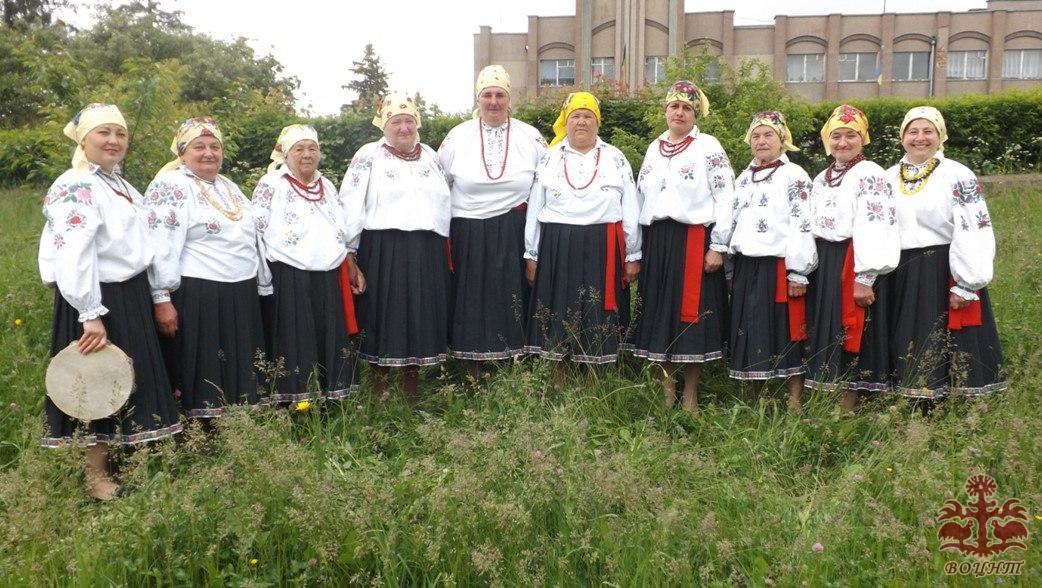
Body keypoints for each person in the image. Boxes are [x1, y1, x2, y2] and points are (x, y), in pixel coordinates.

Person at [39, 103, 181, 500]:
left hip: (128, 292)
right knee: (95, 380)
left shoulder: (120, 186)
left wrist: (154, 293)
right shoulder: (75, 185)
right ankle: (94, 476)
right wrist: (89, 312)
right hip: (96, 295)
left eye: (120, 134)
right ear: (83, 141)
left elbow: (143, 245)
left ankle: (123, 460)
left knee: (124, 381)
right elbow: (73, 251)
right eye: (104, 133)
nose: (114, 141)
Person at [144, 117, 265, 422]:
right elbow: (161, 243)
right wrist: (161, 297)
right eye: (199, 147)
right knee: (203, 363)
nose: (209, 153)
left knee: (233, 362)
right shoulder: (171, 186)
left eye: (215, 146)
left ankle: (234, 426)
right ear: (182, 153)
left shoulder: (228, 187)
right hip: (199, 292)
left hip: (239, 290)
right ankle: (199, 433)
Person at [885, 106, 1005, 398]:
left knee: (947, 334)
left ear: (940, 136)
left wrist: (966, 282)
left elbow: (975, 227)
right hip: (900, 268)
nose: (920, 138)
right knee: (908, 334)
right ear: (903, 137)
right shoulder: (888, 177)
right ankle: (910, 394)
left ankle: (959, 398)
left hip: (943, 266)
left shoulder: (957, 174)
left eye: (928, 131)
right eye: (913, 131)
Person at [340, 93, 452, 399]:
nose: (403, 127)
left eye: (409, 121)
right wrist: (349, 253)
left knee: (419, 313)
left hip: (426, 247)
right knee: (383, 314)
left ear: (417, 124)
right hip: (383, 247)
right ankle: (380, 389)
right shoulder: (368, 155)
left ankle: (411, 389)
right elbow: (350, 202)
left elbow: (445, 199)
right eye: (396, 121)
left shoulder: (429, 154)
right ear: (384, 125)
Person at [630, 80, 733, 413]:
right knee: (661, 315)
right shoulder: (654, 147)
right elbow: (641, 197)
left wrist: (717, 245)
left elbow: (726, 196)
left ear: (695, 113)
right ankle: (667, 390)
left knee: (691, 319)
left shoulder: (709, 147)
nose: (679, 112)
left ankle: (690, 395)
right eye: (674, 106)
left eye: (687, 107)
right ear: (665, 111)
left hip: (693, 241)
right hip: (657, 242)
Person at [438, 65, 547, 376]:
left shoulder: (531, 136)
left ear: (509, 99)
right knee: (471, 295)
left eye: (500, 95)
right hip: (468, 229)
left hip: (514, 227)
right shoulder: (457, 136)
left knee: (511, 295)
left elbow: (547, 182)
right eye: (487, 95)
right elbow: (438, 183)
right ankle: (470, 366)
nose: (494, 101)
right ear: (478, 98)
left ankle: (511, 363)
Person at [523, 92, 641, 376]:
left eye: (588, 116)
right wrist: (532, 252)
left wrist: (633, 253)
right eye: (576, 116)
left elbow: (631, 207)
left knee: (596, 310)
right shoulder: (549, 158)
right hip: (557, 244)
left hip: (602, 245)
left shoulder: (615, 157)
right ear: (567, 121)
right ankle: (558, 380)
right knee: (557, 311)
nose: (582, 122)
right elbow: (535, 207)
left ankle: (594, 381)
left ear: (597, 122)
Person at [715, 110, 816, 410]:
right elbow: (731, 221)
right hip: (747, 266)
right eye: (756, 135)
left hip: (780, 267)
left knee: (786, 331)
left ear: (782, 139)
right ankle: (755, 402)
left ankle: (794, 403)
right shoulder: (743, 178)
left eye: (768, 134)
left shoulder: (794, 175)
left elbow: (803, 222)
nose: (761, 141)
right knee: (749, 330)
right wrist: (730, 267)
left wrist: (798, 271)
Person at [252, 124, 358, 404]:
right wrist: (262, 277)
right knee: (295, 338)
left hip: (326, 275)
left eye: (312, 148)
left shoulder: (328, 186)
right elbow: (256, 231)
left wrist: (348, 262)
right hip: (288, 273)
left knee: (326, 336)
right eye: (299, 149)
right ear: (286, 154)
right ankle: (296, 403)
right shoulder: (271, 184)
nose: (307, 154)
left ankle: (329, 400)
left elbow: (341, 228)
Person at [805, 104, 899, 410]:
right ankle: (831, 397)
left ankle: (851, 405)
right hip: (826, 260)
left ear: (863, 138)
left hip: (853, 260)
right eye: (836, 136)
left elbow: (874, 225)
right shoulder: (822, 177)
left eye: (850, 135)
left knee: (852, 326)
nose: (842, 142)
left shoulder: (870, 174)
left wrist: (865, 276)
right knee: (829, 326)